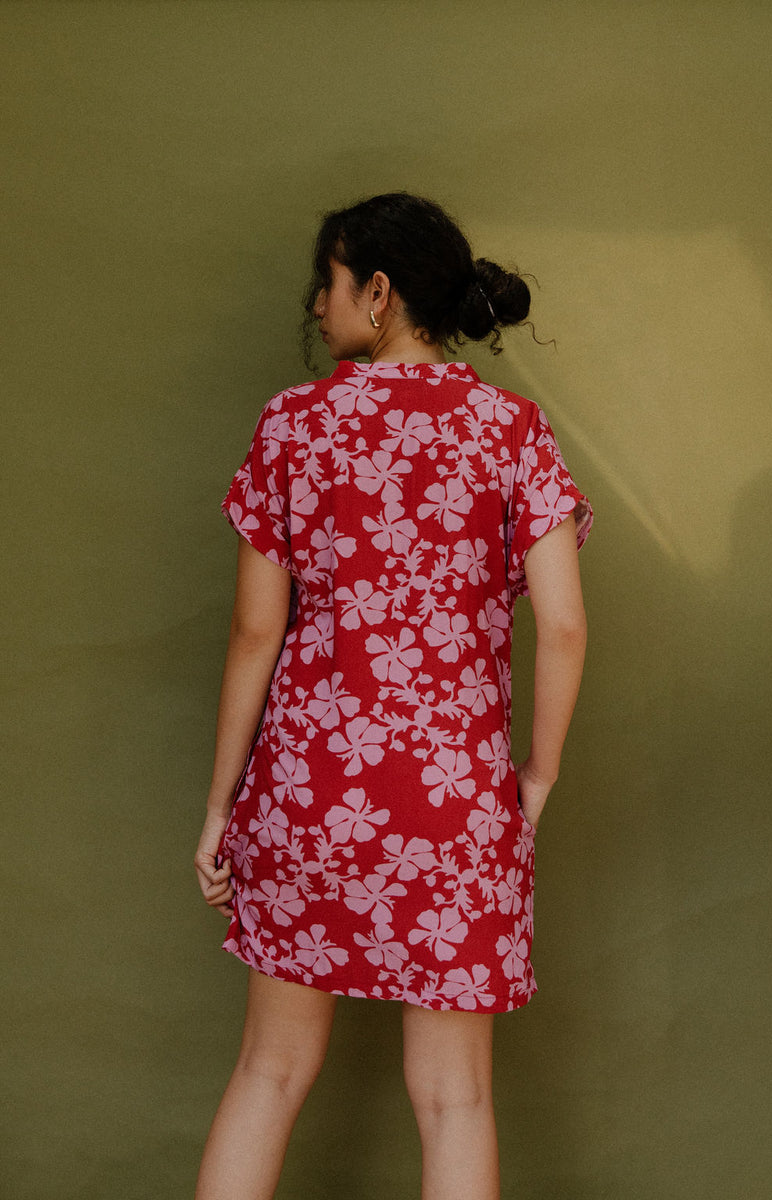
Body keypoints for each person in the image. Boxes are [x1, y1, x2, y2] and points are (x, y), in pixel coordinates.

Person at [194, 192, 592, 1200]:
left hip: (308, 793)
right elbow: (564, 626)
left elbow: (253, 634)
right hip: (454, 801)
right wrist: (533, 777)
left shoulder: (291, 426)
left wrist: (219, 810)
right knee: (453, 1101)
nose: (314, 303)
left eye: (325, 281)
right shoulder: (510, 430)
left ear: (376, 292)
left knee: (267, 1073)